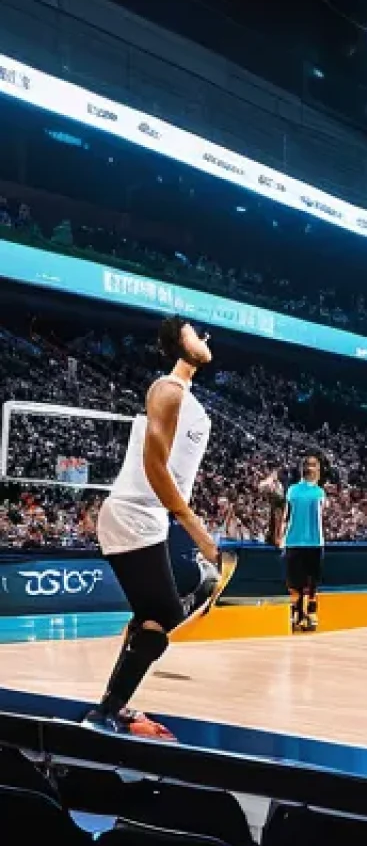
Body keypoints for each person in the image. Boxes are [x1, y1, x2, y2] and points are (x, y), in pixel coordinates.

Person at [85, 316, 220, 739]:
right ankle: (103, 713)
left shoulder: (187, 397)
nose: (204, 337)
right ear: (177, 341)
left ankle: (114, 707)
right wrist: (195, 527)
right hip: (132, 512)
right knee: (165, 615)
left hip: (150, 517)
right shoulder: (167, 389)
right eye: (196, 332)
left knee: (156, 615)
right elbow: (153, 465)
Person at [277, 454, 327, 632]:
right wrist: (281, 536)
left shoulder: (295, 491)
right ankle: (304, 614)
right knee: (304, 584)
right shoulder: (317, 492)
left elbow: (286, 515)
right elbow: (287, 515)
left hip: (304, 543)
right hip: (304, 543)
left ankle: (303, 615)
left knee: (304, 584)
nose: (316, 469)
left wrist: (281, 536)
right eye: (314, 466)